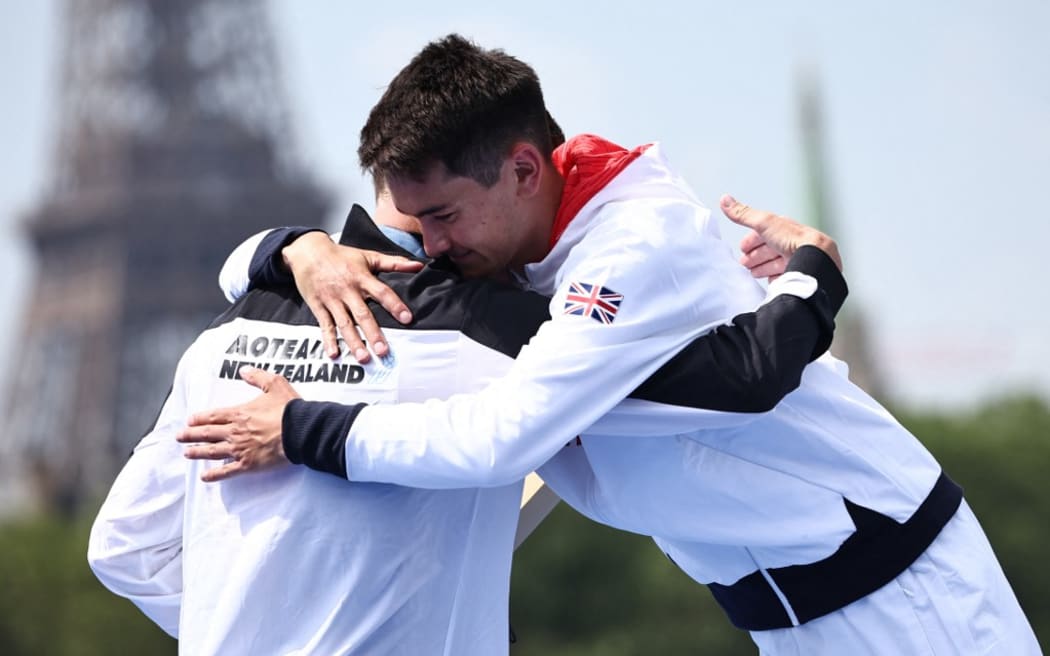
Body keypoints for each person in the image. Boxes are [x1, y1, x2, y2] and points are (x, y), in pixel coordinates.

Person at [179, 35, 1039, 654]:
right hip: (789, 609)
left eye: (440, 217)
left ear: (522, 170)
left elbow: (500, 440)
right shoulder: (506, 237)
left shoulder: (633, 248)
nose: (428, 249)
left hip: (906, 599)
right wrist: (297, 250)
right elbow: (248, 278)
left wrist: (301, 432)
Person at [90, 185, 848, 654]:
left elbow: (121, 549)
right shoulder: (499, 337)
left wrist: (259, 622)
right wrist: (813, 272)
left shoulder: (220, 337)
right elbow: (745, 375)